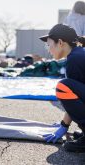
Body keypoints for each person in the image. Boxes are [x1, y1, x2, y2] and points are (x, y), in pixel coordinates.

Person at [39, 24, 85, 152]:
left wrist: (64, 126)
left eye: (49, 45)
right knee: (66, 87)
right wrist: (64, 125)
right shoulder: (78, 54)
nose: (49, 50)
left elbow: (70, 93)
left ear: (60, 42)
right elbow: (77, 96)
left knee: (63, 87)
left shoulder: (75, 60)